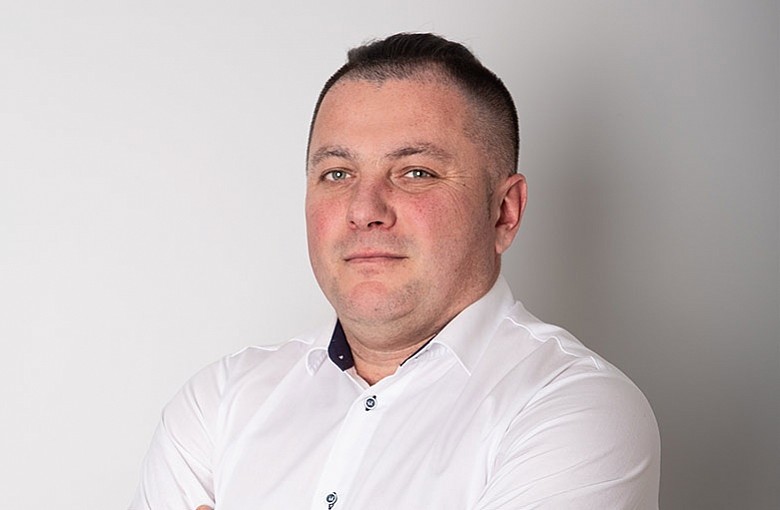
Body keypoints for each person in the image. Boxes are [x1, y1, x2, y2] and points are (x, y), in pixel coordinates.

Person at [130, 33, 660, 509]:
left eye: (415, 172)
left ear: (504, 212)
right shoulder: (219, 402)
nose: (365, 210)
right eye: (337, 173)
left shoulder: (578, 410)